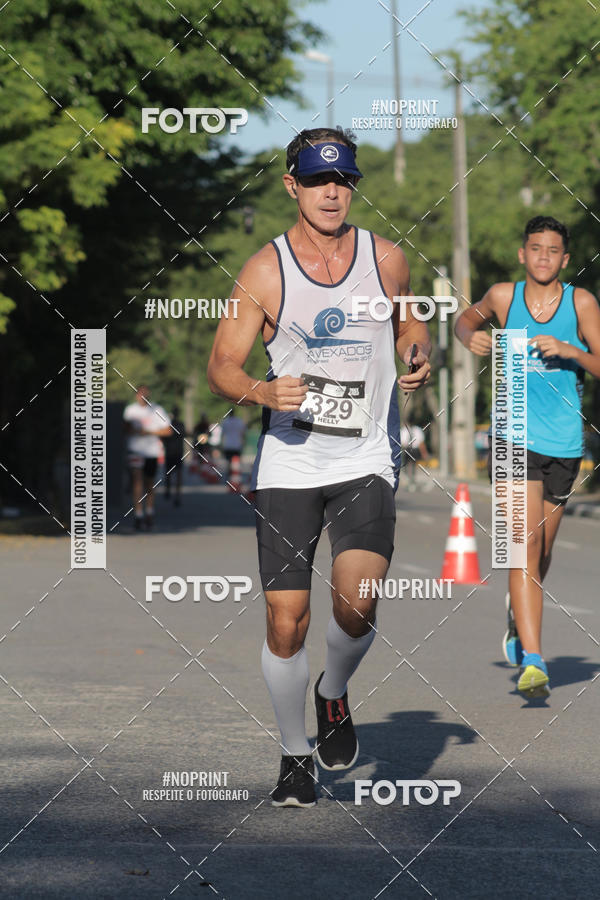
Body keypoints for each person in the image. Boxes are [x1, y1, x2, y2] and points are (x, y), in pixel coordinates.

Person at [208, 126, 431, 806]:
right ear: (291, 186)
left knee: (357, 607)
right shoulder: (264, 270)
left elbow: (411, 325)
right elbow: (221, 365)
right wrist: (261, 390)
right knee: (285, 621)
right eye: (315, 180)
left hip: (365, 454)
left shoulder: (387, 257)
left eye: (342, 180)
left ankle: (332, 691)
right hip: (290, 463)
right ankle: (293, 753)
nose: (331, 192)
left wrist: (419, 357)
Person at [455, 215, 600, 698]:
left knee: (543, 552)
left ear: (565, 258)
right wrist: (469, 336)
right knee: (522, 549)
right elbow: (465, 319)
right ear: (523, 254)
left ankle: (518, 622)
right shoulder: (503, 296)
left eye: (552, 250)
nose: (543, 256)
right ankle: (534, 661)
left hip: (563, 444)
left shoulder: (581, 302)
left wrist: (572, 351)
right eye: (535, 248)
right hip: (512, 433)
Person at [123, 385, 172, 530]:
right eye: (139, 394)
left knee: (149, 483)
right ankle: (138, 514)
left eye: (145, 393)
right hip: (135, 450)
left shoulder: (157, 410)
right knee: (137, 481)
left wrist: (148, 432)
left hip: (151, 451)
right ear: (136, 396)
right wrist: (133, 429)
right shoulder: (130, 410)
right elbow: (124, 428)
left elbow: (168, 431)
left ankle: (150, 512)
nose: (142, 396)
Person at [163, 405, 185, 506]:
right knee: (178, 474)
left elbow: (163, 437)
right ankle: (177, 494)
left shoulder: (168, 425)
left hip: (170, 451)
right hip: (178, 452)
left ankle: (168, 490)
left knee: (169, 473)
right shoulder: (181, 424)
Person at [400, 422, 430, 490]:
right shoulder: (404, 430)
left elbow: (421, 443)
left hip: (413, 449)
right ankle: (409, 479)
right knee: (406, 465)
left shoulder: (415, 430)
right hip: (408, 449)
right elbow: (402, 442)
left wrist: (424, 453)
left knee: (412, 465)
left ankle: (412, 480)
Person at [220, 409, 247, 478]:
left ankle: (230, 474)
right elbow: (243, 433)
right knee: (236, 461)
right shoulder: (239, 421)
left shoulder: (225, 422)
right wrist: (243, 442)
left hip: (228, 444)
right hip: (237, 444)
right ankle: (235, 475)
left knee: (229, 461)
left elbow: (222, 434)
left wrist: (221, 444)